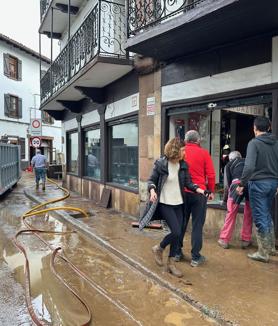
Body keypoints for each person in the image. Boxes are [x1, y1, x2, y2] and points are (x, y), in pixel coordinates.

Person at [140, 138, 207, 277]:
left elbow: (188, 183)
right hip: (165, 203)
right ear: (175, 150)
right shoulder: (161, 164)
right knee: (176, 232)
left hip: (179, 203)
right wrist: (152, 191)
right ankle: (159, 247)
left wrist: (200, 190)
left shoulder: (183, 165)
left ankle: (171, 264)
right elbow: (151, 180)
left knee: (178, 235)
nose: (184, 152)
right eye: (182, 150)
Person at [237, 116, 278, 263]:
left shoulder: (254, 143)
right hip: (273, 183)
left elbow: (249, 167)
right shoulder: (275, 143)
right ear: (269, 128)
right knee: (267, 214)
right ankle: (271, 248)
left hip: (258, 184)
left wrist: (241, 184)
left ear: (254, 128)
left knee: (260, 217)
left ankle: (263, 253)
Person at [176, 130, 215, 267]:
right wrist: (210, 191)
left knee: (181, 222)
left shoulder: (181, 152)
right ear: (198, 141)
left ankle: (177, 253)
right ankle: (195, 257)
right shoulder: (204, 153)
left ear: (186, 141)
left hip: (182, 192)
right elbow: (211, 175)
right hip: (199, 192)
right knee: (197, 225)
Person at [218, 151, 252, 249]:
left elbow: (226, 186)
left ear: (230, 159)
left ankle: (224, 239)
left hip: (236, 184)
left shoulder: (228, 165)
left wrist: (224, 200)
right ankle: (246, 239)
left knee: (231, 212)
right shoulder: (247, 161)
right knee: (248, 211)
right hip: (250, 184)